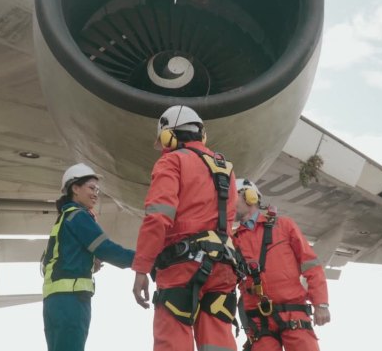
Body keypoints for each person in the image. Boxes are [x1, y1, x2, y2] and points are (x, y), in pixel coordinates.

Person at [132, 105, 241, 351]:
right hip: (223, 266)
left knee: (173, 338)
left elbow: (158, 218)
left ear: (169, 136)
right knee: (218, 342)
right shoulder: (225, 168)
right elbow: (228, 222)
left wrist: (141, 267)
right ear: (201, 135)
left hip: (183, 266)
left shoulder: (172, 161)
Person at [42, 163, 135, 351]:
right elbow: (107, 250)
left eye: (98, 190)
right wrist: (145, 259)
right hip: (72, 302)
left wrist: (87, 262)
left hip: (54, 303)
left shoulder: (63, 219)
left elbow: (49, 262)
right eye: (91, 188)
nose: (96, 194)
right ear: (75, 188)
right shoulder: (79, 216)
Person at [232, 179, 330, 351]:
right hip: (258, 322)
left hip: (294, 313)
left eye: (232, 197)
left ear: (250, 197)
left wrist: (320, 303)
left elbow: (311, 265)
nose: (228, 203)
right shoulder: (233, 240)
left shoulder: (284, 226)